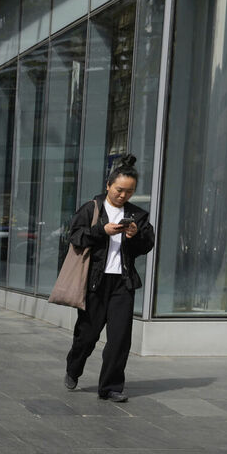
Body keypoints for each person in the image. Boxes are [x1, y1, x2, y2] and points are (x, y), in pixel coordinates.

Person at [64, 155, 155, 402]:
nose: (123, 195)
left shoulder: (138, 215)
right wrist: (100, 231)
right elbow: (74, 236)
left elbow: (147, 245)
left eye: (129, 191)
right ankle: (74, 367)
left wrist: (134, 236)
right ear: (108, 186)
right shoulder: (92, 209)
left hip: (122, 284)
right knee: (87, 335)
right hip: (95, 283)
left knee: (119, 339)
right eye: (119, 190)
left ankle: (111, 387)